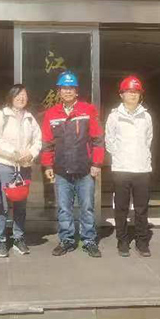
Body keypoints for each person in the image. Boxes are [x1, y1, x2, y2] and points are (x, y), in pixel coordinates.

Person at [41, 71, 105, 258]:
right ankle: (67, 240)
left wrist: (96, 163)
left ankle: (89, 241)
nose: (67, 91)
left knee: (87, 208)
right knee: (63, 208)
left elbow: (98, 139)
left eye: (71, 88)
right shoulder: (52, 113)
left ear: (76, 91)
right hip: (61, 170)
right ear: (59, 91)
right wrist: (48, 166)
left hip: (85, 170)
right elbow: (47, 143)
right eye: (64, 88)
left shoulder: (88, 110)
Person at [0, 84, 42, 258]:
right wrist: (14, 153)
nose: (21, 98)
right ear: (11, 97)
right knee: (2, 206)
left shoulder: (30, 118)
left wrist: (31, 153)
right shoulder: (1, 115)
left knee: (21, 205)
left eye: (24, 94)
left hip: (24, 167)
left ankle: (19, 238)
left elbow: (38, 139)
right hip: (5, 166)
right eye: (18, 95)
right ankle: (1, 241)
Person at [105, 76, 153, 258]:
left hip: (142, 169)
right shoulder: (114, 116)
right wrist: (120, 155)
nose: (133, 95)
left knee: (141, 208)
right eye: (129, 91)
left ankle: (142, 241)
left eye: (136, 92)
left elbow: (148, 140)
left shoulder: (146, 116)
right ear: (121, 94)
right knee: (121, 207)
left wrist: (141, 155)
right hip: (121, 169)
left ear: (140, 95)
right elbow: (109, 140)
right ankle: (122, 240)